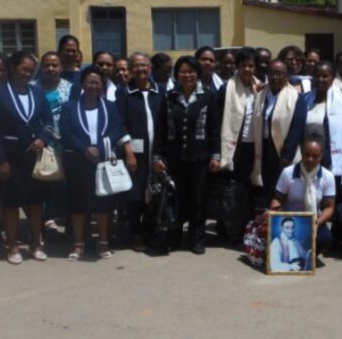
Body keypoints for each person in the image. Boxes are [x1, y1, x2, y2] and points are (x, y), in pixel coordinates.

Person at [0, 51, 55, 264]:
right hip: (10, 156)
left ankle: (36, 243)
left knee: (35, 203)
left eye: (31, 70)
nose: (27, 73)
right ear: (13, 68)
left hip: (34, 156)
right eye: (24, 69)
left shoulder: (37, 93)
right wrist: (1, 160)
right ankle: (13, 245)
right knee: (11, 203)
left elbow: (48, 122)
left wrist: (42, 139)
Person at [60, 67, 133, 261]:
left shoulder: (110, 106)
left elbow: (116, 129)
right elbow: (66, 133)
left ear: (102, 86)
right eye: (89, 82)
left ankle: (102, 241)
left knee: (103, 204)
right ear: (82, 84)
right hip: (78, 161)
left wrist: (99, 148)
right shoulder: (69, 107)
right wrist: (85, 149)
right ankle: (78, 243)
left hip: (102, 160)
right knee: (78, 204)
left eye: (97, 83)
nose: (93, 86)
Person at [152, 56, 221, 255]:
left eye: (191, 71)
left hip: (200, 158)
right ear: (176, 74)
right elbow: (161, 129)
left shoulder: (208, 96)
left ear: (197, 74)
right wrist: (158, 156)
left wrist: (216, 155)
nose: (187, 75)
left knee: (198, 200)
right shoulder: (170, 97)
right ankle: (174, 237)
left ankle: (197, 239)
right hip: (175, 159)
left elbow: (214, 129)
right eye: (182, 71)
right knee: (176, 199)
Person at [116, 53, 163, 249]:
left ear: (150, 68)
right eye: (136, 65)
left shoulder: (160, 91)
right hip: (134, 154)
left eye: (144, 65)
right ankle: (135, 233)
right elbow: (119, 123)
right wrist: (128, 152)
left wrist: (161, 154)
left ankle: (150, 230)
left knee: (155, 194)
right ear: (130, 69)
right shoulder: (124, 92)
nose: (140, 69)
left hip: (156, 152)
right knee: (134, 195)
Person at [215, 47, 261, 241]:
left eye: (250, 65)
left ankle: (246, 228)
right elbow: (217, 119)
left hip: (254, 146)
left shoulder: (260, 88)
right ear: (237, 66)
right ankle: (227, 229)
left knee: (249, 188)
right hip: (233, 147)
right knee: (230, 188)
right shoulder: (226, 89)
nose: (247, 69)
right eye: (243, 65)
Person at [266, 135, 336, 257]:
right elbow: (277, 198)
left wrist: (317, 222)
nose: (310, 159)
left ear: (321, 156)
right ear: (301, 153)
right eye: (306, 155)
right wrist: (275, 215)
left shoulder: (328, 177)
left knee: (325, 238)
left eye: (315, 156)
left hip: (314, 219)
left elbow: (329, 207)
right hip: (289, 220)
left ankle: (307, 257)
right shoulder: (288, 173)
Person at [251, 59, 307, 207]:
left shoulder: (296, 97)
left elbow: (297, 129)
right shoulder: (260, 95)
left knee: (283, 190)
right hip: (264, 149)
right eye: (271, 74)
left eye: (279, 74)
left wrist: (286, 156)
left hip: (284, 152)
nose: (275, 77)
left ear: (287, 75)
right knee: (266, 188)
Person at [35, 51, 73, 232]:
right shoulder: (33, 87)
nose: (51, 68)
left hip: (64, 140)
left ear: (61, 67)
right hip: (40, 140)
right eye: (47, 65)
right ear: (41, 67)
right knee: (42, 178)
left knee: (62, 179)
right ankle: (44, 218)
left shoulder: (70, 88)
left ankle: (61, 215)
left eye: (54, 65)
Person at [302, 61, 342, 172]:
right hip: (310, 154)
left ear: (332, 78)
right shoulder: (305, 98)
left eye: (325, 76)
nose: (320, 79)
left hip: (332, 153)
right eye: (317, 76)